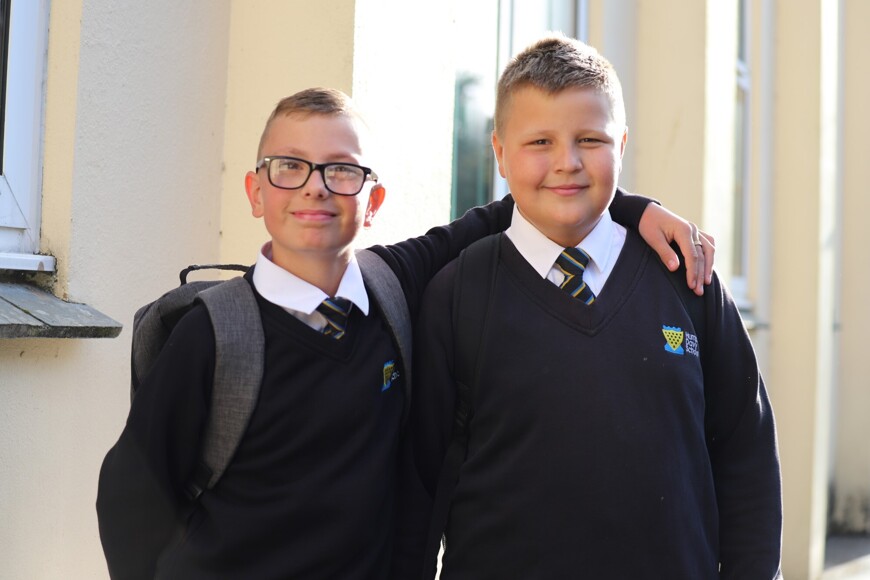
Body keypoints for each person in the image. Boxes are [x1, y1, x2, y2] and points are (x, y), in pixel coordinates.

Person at [96, 87, 714, 579]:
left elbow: (527, 202)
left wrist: (632, 207)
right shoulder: (213, 335)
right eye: (290, 167)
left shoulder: (392, 289)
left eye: (342, 170)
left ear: (374, 201)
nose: (315, 185)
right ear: (256, 192)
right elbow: (131, 500)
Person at [410, 36, 782, 579]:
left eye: (590, 139)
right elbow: (419, 487)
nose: (567, 163)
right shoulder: (457, 294)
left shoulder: (688, 279)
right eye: (540, 141)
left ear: (622, 144)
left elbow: (745, 452)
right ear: (499, 152)